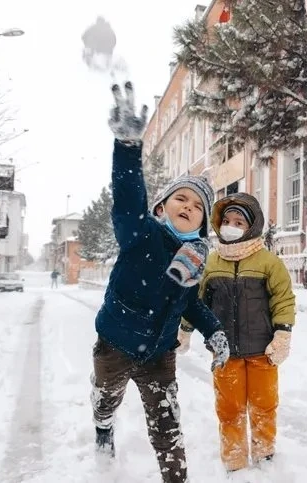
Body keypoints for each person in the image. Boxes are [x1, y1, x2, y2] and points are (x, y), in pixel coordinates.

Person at [90, 81, 230, 483]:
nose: (188, 206)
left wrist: (213, 330)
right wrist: (128, 147)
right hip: (115, 344)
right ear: (161, 207)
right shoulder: (140, 234)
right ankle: (102, 426)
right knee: (105, 400)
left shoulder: (196, 258)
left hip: (159, 356)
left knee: (167, 426)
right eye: (181, 199)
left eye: (198, 206)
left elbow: (188, 303)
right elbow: (127, 194)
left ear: (203, 223)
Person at [179, 193, 295, 472]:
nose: (231, 225)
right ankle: (234, 459)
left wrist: (283, 334)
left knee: (264, 405)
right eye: (227, 220)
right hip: (224, 352)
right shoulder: (211, 264)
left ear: (251, 227)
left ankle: (265, 453)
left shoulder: (269, 263)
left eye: (239, 221)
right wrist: (184, 329)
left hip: (262, 352)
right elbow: (197, 302)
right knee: (229, 409)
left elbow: (283, 299)